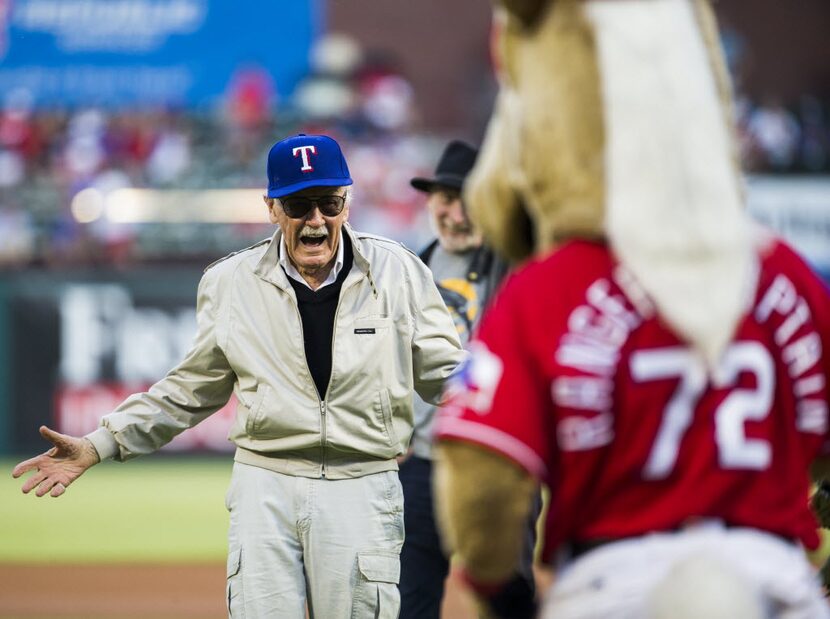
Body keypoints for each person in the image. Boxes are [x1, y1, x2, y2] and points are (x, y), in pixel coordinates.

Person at [13, 133, 465, 619]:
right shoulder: (230, 282)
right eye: (298, 205)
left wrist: (508, 399)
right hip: (265, 484)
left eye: (329, 203)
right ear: (272, 208)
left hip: (362, 481)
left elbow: (446, 372)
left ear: (347, 203)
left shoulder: (398, 271)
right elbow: (188, 391)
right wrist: (100, 442)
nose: (315, 220)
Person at [432, 228, 830, 618]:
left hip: (615, 575)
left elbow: (483, 470)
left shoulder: (552, 279)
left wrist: (495, 587)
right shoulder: (784, 270)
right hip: (769, 571)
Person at [399, 140, 535, 618]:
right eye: (445, 198)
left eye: (468, 199)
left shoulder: (517, 260)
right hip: (423, 461)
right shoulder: (409, 269)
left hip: (496, 459)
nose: (455, 213)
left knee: (504, 597)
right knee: (411, 603)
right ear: (430, 201)